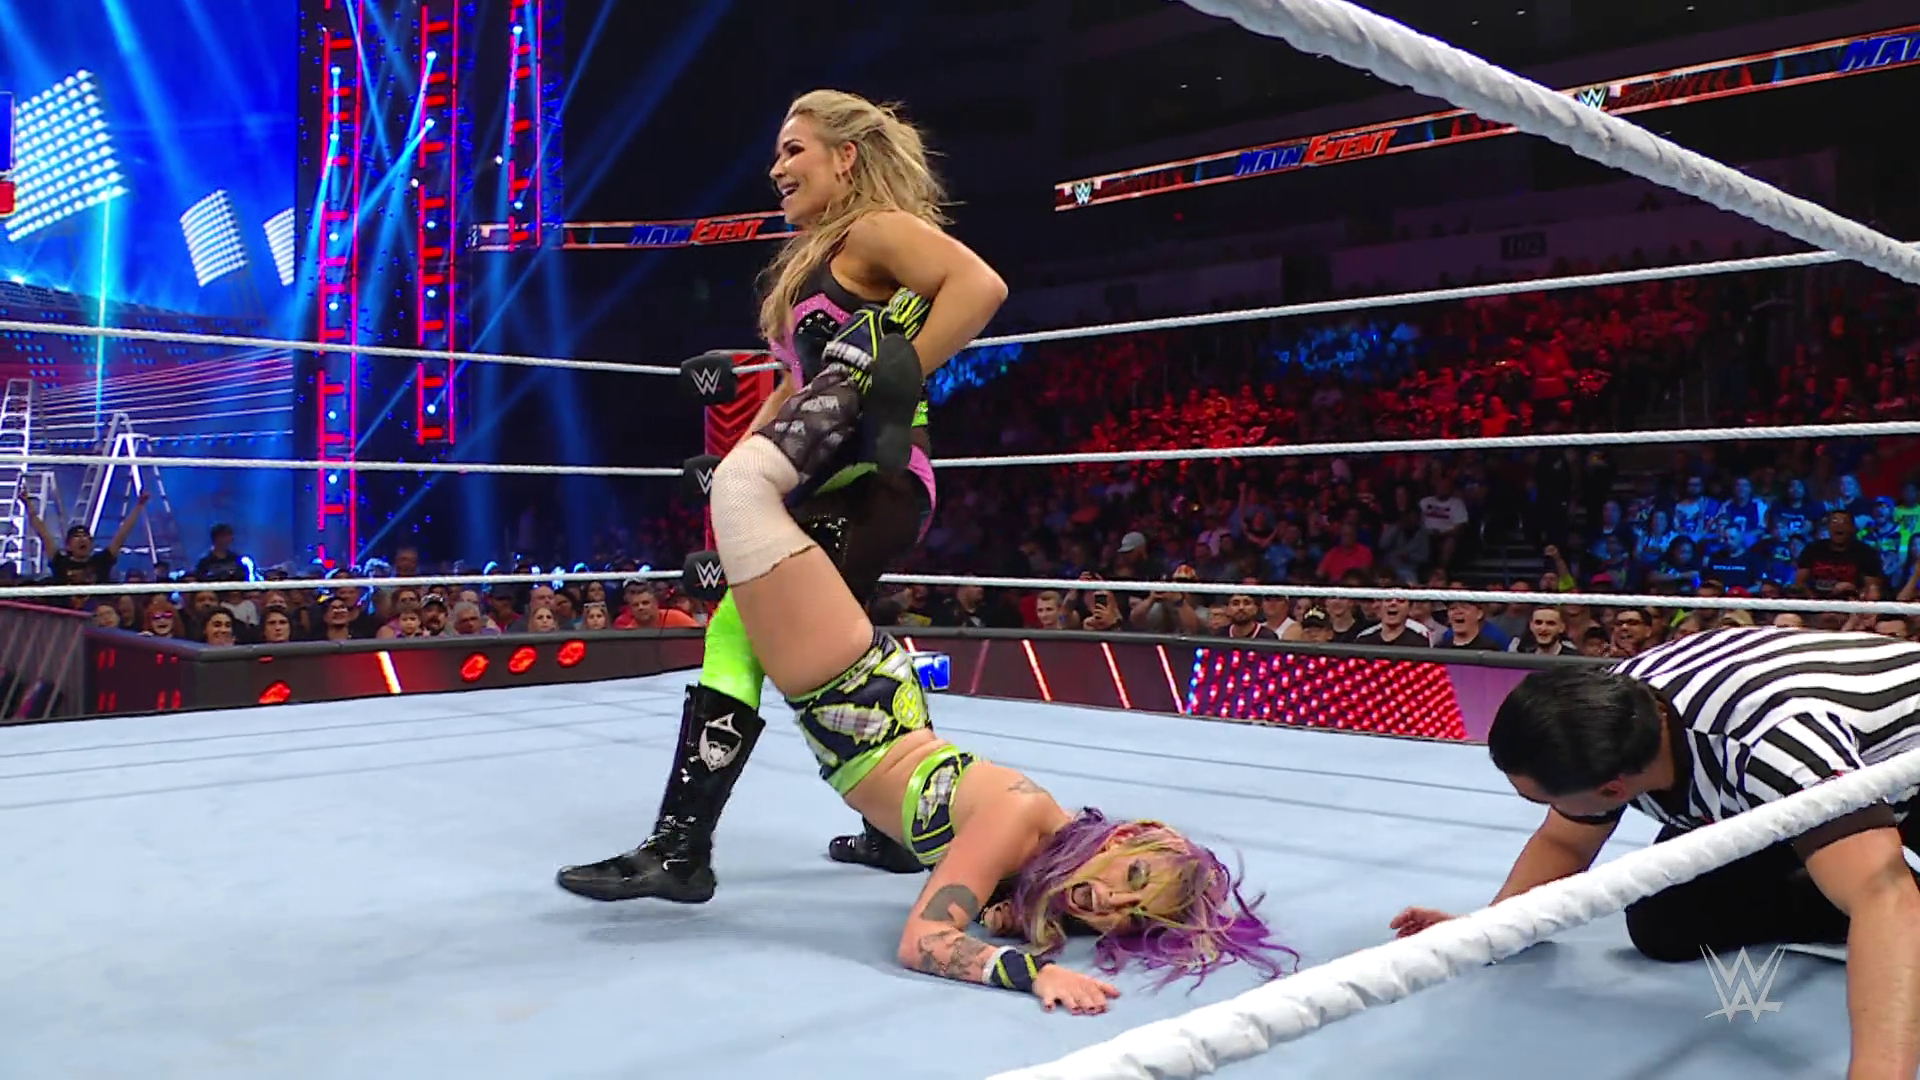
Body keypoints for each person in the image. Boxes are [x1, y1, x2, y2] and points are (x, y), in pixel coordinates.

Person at [575, 255, 1288, 1015]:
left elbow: (982, 895)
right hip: (848, 692)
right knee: (744, 489)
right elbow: (924, 940)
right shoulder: (1017, 820)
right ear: (1127, 837)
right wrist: (1031, 973)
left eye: (1131, 917)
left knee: (735, 617)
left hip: (885, 712)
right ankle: (854, 374)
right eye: (1134, 879)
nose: (1111, 904)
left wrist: (1015, 911)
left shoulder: (1037, 851)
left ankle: (706, 843)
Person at [558, 89, 998, 904]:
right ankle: (897, 827)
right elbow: (799, 387)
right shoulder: (819, 258)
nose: (777, 168)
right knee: (837, 640)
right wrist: (741, 462)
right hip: (826, 481)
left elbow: (978, 286)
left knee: (741, 626)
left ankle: (682, 849)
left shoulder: (875, 229)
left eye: (795, 150)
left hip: (874, 480)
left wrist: (894, 378)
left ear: (846, 157)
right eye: (776, 153)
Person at [1393, 626, 1920, 1077]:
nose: (1546, 809)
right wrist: (1488, 931)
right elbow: (1564, 841)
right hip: (1795, 781)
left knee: (1883, 900)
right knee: (1667, 920)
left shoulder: (1771, 749)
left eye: (1545, 798)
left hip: (1902, 761)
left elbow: (1884, 898)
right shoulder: (1607, 719)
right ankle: (1856, 892)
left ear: (1613, 790)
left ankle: (1879, 905)